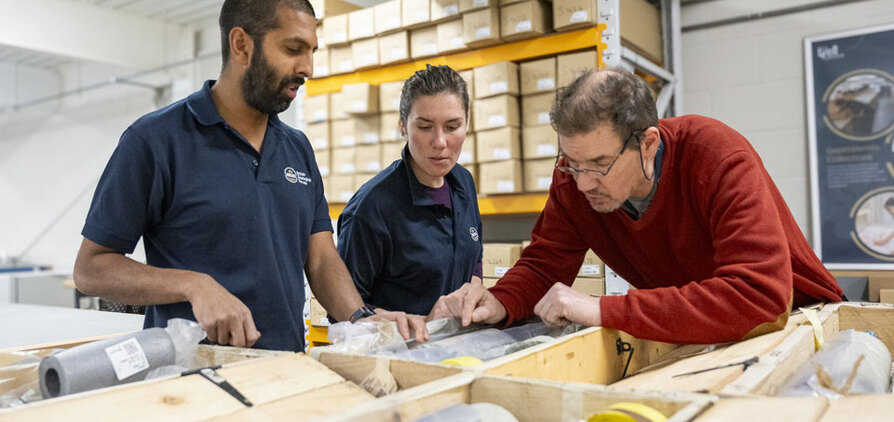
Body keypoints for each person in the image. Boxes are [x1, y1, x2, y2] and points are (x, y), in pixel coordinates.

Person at [73, 0, 427, 352]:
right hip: (192, 380)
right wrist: (194, 286)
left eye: (312, 51)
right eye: (293, 49)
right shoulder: (155, 140)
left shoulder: (297, 148)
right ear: (241, 44)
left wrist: (359, 318)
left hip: (285, 370)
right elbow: (91, 269)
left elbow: (319, 258)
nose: (308, 68)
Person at [429, 68, 844, 345]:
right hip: (698, 331)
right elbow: (544, 264)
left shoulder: (717, 156)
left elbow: (759, 296)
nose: (584, 182)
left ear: (648, 143)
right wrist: (501, 302)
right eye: (571, 162)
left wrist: (605, 309)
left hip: (796, 326)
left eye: (599, 165)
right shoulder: (573, 180)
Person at [336, 65, 483, 316]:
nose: (440, 142)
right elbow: (344, 312)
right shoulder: (371, 208)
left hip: (461, 350)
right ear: (403, 125)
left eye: (452, 127)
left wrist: (474, 292)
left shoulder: (464, 183)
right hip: (397, 353)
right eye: (425, 127)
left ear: (467, 123)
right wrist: (422, 324)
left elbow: (474, 260)